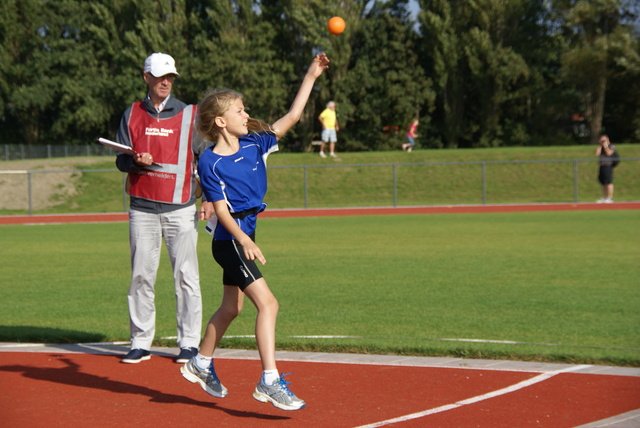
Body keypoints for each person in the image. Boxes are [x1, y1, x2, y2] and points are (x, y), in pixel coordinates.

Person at [180, 53, 331, 411]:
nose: (246, 115)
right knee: (269, 304)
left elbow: (292, 116)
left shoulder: (254, 143)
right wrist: (245, 239)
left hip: (245, 234)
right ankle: (269, 381)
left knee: (231, 308)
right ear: (220, 121)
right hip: (230, 240)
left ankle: (200, 362)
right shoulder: (210, 160)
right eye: (239, 111)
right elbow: (220, 211)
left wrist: (310, 75)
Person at [115, 52, 214, 364]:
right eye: (160, 77)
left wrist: (209, 197)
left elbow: (206, 159)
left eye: (170, 77)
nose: (166, 82)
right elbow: (120, 159)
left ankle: (189, 343)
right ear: (146, 77)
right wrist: (134, 160)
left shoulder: (190, 115)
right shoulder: (131, 114)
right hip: (142, 207)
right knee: (140, 277)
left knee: (186, 277)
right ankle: (140, 341)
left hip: (180, 208)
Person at [595, 134, 617, 203]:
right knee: (603, 182)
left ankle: (610, 197)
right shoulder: (600, 147)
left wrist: (605, 145)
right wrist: (600, 145)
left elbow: (609, 153)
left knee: (608, 182)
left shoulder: (611, 146)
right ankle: (604, 197)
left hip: (608, 165)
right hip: (602, 165)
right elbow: (597, 154)